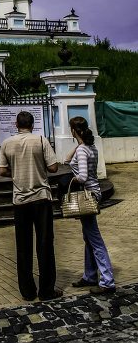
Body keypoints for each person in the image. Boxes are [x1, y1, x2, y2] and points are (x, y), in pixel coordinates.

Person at [0, 111, 61, 302]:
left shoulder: (7, 144)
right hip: (41, 197)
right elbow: (53, 167)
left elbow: (1, 171)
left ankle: (27, 290)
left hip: (20, 199)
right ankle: (46, 290)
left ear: (16, 124)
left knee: (23, 246)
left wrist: (16, 173)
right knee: (45, 243)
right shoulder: (41, 141)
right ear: (33, 124)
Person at [64, 116, 115, 295]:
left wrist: (72, 179)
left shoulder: (83, 150)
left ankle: (107, 280)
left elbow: (83, 176)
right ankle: (90, 275)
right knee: (88, 237)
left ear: (72, 131)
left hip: (87, 196)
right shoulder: (89, 147)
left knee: (94, 239)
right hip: (94, 194)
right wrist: (78, 146)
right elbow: (66, 160)